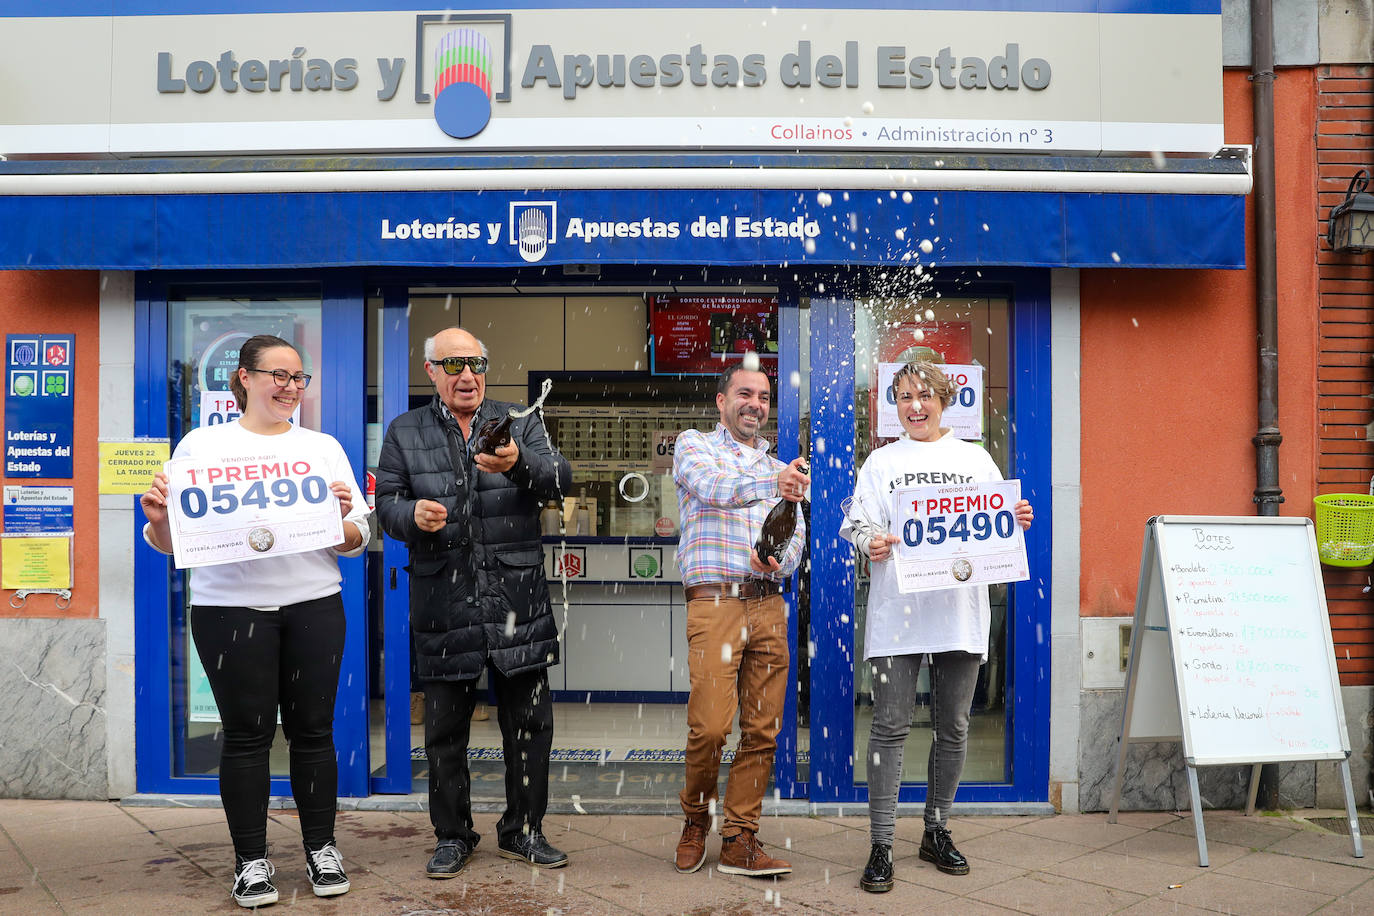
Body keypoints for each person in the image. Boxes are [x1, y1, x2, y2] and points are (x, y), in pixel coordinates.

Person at [139, 334, 370, 909]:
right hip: (228, 610)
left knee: (313, 730)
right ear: (243, 377)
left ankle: (321, 848)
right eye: (279, 375)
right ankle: (251, 862)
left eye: (299, 378)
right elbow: (170, 542)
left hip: (313, 603)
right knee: (247, 736)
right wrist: (160, 520)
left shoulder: (322, 448)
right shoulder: (201, 446)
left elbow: (358, 539)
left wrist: (340, 518)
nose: (291, 387)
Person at [374, 327, 572, 877]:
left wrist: (517, 465)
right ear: (432, 371)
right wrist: (409, 516)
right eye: (454, 364)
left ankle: (524, 831)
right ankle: (454, 835)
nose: (467, 375)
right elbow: (386, 502)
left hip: (517, 600)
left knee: (530, 727)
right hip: (445, 600)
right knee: (443, 733)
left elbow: (560, 478)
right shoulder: (405, 430)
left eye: (477, 363)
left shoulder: (519, 421)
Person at [840, 361, 1033, 893]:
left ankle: (935, 829)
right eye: (903, 396)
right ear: (893, 405)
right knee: (889, 728)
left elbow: (998, 524)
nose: (914, 405)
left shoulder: (974, 459)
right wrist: (869, 541)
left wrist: (1014, 519)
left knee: (953, 727)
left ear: (944, 399)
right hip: (897, 615)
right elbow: (855, 522)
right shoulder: (881, 461)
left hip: (958, 613)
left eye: (923, 394)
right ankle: (881, 844)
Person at [672, 360, 810, 878]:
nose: (756, 404)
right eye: (745, 393)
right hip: (716, 602)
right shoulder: (695, 446)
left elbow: (795, 538)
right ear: (721, 402)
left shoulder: (781, 471)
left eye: (764, 397)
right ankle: (693, 819)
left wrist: (778, 558)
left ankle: (739, 838)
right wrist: (774, 480)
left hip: (768, 603)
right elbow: (711, 487)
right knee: (709, 727)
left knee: (763, 730)